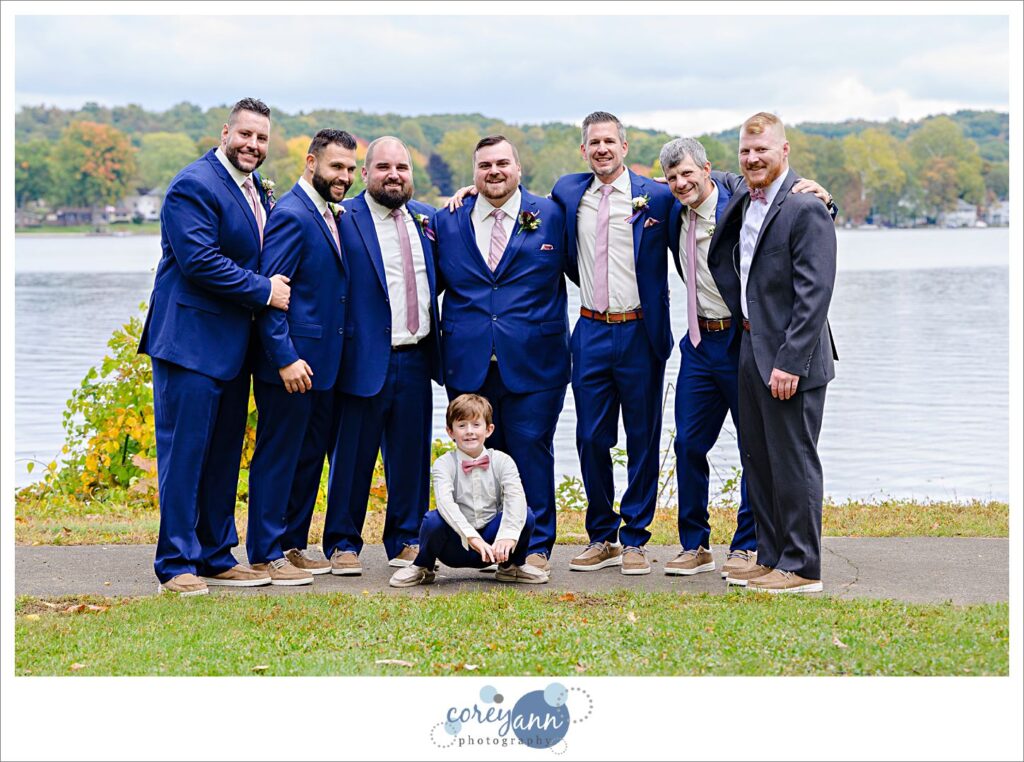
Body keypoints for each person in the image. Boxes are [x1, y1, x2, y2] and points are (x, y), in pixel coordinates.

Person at [661, 137, 835, 579]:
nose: (681, 183)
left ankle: (747, 546)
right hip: (699, 341)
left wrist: (824, 199)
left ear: (708, 169)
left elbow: (786, 203)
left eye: (688, 173)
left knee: (756, 447)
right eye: (672, 177)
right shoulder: (667, 209)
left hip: (744, 339)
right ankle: (695, 544)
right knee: (688, 444)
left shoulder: (738, 199)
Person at [138, 97, 291, 595]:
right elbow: (199, 261)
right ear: (226, 131)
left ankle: (216, 554)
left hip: (231, 348)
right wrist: (266, 290)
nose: (252, 145)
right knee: (185, 456)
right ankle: (176, 564)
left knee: (224, 454)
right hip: (189, 344)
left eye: (262, 138)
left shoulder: (253, 189)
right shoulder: (194, 184)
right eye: (245, 134)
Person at [708, 112, 838, 593]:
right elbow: (706, 174)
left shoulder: (806, 207)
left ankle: (803, 567)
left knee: (793, 460)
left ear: (785, 151)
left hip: (790, 357)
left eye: (762, 149)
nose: (752, 158)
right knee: (758, 458)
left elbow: (815, 292)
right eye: (744, 150)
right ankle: (770, 556)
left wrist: (791, 361)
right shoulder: (743, 191)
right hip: (749, 344)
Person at [431, 135, 570, 574]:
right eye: (485, 164)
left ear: (518, 168)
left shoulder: (552, 215)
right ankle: (487, 545)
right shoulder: (448, 219)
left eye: (503, 163)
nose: (495, 171)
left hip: (536, 359)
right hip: (468, 362)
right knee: (476, 461)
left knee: (530, 450)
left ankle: (535, 548)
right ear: (474, 172)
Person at [552, 111, 675, 576]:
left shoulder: (656, 197)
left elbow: (707, 195)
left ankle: (636, 539)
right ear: (583, 151)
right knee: (590, 437)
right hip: (590, 330)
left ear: (625, 147)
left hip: (641, 331)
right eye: (593, 143)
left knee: (642, 438)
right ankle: (601, 535)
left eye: (610, 141)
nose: (602, 149)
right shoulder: (568, 192)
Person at [247, 129, 358, 585]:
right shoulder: (293, 214)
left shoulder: (329, 213)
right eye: (336, 167)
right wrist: (284, 358)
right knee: (279, 455)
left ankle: (292, 544)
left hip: (322, 365)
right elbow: (273, 295)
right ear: (311, 163)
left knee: (308, 456)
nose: (344, 177)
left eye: (351, 169)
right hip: (292, 364)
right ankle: (264, 552)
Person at [327, 137, 442, 575]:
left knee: (411, 458)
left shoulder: (427, 218)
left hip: (416, 356)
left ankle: (407, 539)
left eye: (402, 168)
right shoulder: (343, 218)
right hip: (362, 356)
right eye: (383, 167)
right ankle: (342, 543)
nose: (393, 175)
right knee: (352, 456)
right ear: (365, 173)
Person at [389, 394, 548, 587]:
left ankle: (512, 566)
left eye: (475, 425)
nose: (469, 432)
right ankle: (423, 567)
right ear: (450, 431)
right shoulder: (443, 464)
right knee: (432, 520)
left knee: (526, 515)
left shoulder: (503, 461)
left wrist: (508, 535)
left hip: (494, 546)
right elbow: (445, 504)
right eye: (461, 425)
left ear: (489, 430)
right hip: (455, 547)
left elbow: (516, 498)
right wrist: (471, 537)